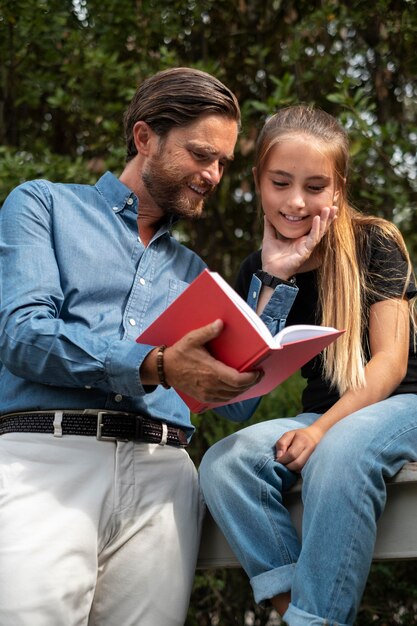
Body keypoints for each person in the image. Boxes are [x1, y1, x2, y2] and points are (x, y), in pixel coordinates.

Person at [0, 67, 273, 626]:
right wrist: (155, 364)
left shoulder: (197, 274)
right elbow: (22, 334)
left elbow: (234, 402)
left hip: (165, 477)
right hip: (46, 460)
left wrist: (277, 280)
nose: (213, 174)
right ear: (145, 137)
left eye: (221, 162)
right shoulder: (43, 206)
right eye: (201, 154)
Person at [199, 104, 417, 626]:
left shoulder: (375, 242)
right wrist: (273, 283)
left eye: (316, 186)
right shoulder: (259, 269)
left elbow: (389, 364)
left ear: (337, 189)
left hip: (400, 404)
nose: (296, 201)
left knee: (340, 450)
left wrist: (319, 430)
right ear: (258, 183)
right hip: (325, 419)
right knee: (225, 464)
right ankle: (298, 611)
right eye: (281, 183)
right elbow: (237, 407)